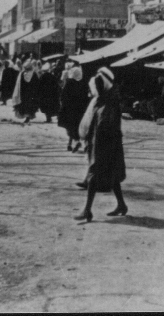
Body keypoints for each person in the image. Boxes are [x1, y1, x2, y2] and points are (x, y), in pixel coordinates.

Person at [74, 68, 127, 222]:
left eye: (98, 86)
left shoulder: (110, 102)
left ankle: (87, 210)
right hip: (100, 143)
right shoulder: (103, 99)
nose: (95, 90)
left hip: (105, 145)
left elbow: (107, 126)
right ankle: (121, 205)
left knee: (93, 174)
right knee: (112, 175)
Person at [59, 63, 89, 153]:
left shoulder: (70, 82)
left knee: (70, 126)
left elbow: (63, 95)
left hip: (70, 109)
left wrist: (62, 104)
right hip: (81, 109)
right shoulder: (84, 83)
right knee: (79, 126)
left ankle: (73, 142)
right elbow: (86, 97)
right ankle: (81, 143)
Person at [13, 59, 39, 124]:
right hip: (31, 93)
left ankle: (27, 117)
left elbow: (20, 84)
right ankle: (28, 117)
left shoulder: (22, 74)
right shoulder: (34, 74)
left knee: (25, 105)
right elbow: (37, 83)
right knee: (30, 105)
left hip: (24, 93)